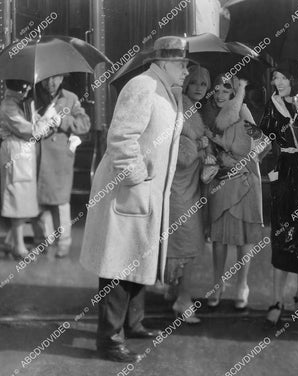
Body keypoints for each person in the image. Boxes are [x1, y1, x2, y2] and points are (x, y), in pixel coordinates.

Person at [79, 36, 189, 363]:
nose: (186, 70)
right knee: (118, 265)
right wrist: (138, 176)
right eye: (182, 64)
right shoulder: (143, 86)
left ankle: (133, 323)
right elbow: (121, 138)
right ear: (165, 62)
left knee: (137, 256)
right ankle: (110, 340)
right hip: (128, 189)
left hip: (146, 192)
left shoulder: (164, 89)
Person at [203, 74, 270, 310]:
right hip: (220, 180)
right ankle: (217, 284)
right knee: (219, 236)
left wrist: (244, 156)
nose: (220, 95)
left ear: (234, 92)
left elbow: (262, 141)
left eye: (225, 90)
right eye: (217, 90)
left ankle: (242, 285)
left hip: (244, 179)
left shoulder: (242, 110)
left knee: (244, 236)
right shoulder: (209, 114)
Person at [259, 61, 298, 326]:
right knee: (281, 235)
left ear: (293, 78)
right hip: (284, 173)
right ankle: (277, 299)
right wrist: (270, 170)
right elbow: (265, 141)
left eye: (282, 77)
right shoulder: (271, 105)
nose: (277, 83)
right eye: (275, 78)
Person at [165, 65, 211, 324]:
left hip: (187, 189)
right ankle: (183, 300)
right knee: (188, 246)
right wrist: (200, 146)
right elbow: (182, 158)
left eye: (203, 84)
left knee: (182, 245)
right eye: (193, 82)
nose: (198, 88)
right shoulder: (181, 109)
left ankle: (175, 292)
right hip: (180, 192)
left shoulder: (191, 109)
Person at [33, 74, 91, 258]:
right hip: (38, 156)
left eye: (55, 78)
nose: (51, 83)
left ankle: (64, 242)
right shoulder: (33, 98)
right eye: (47, 79)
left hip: (60, 158)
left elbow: (84, 124)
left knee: (60, 203)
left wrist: (62, 121)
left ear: (62, 78)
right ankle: (44, 240)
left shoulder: (71, 98)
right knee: (40, 201)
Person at [0, 80, 50, 259]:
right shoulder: (8, 106)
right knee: (17, 198)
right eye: (25, 86)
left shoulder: (18, 104)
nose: (28, 89)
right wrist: (46, 119)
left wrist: (36, 117)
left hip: (23, 154)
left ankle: (10, 242)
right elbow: (30, 131)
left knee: (22, 197)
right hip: (16, 154)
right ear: (19, 87)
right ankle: (18, 247)